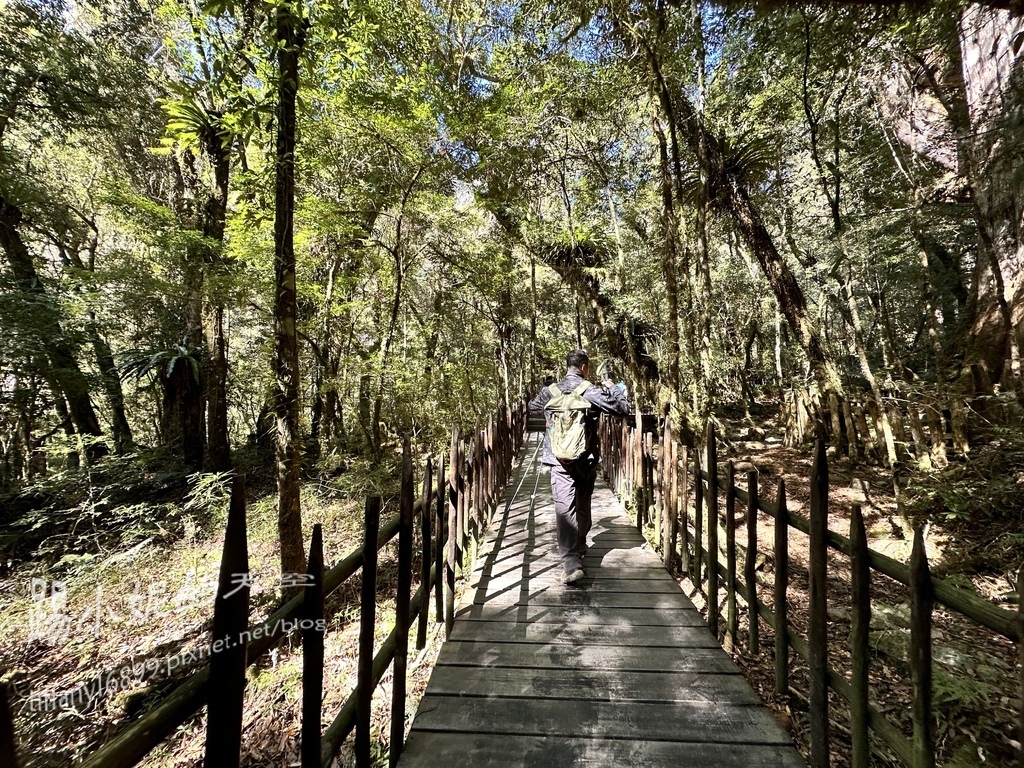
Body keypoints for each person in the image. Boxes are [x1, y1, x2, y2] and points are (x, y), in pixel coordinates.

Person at [528, 350, 630, 584]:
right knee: (582, 504)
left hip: (557, 459)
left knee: (565, 508)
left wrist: (550, 414)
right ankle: (580, 544)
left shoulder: (550, 391)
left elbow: (531, 407)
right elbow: (622, 409)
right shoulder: (590, 391)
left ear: (567, 367)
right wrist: (612, 386)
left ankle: (571, 562)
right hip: (586, 458)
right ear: (584, 367)